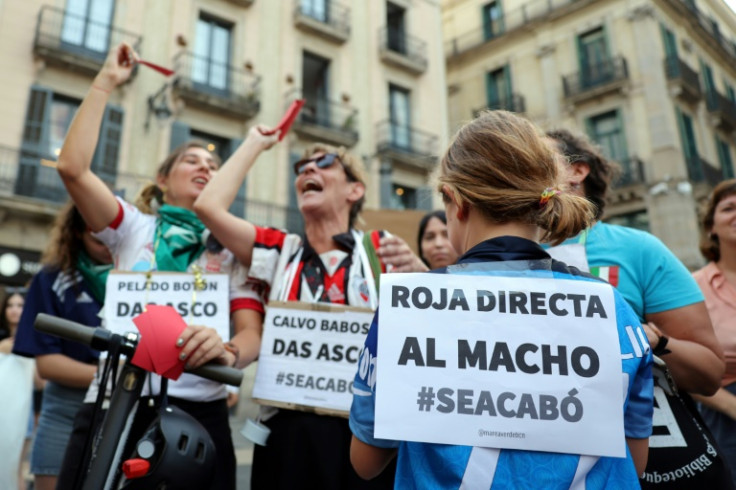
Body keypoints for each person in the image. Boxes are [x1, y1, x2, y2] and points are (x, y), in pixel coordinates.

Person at [349, 110, 653, 487]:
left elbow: (366, 460)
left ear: (455, 201)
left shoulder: (408, 307)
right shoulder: (613, 307)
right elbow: (635, 463)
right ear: (545, 201)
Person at [54, 42, 264, 490]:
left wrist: (226, 353)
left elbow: (250, 334)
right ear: (163, 180)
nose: (206, 166)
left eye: (214, 163)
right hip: (113, 400)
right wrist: (106, 80)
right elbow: (72, 168)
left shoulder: (232, 249)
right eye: (192, 160)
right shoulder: (131, 227)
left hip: (200, 409)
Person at [194, 132, 426, 488]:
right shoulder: (279, 249)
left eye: (325, 163)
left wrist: (421, 275)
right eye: (301, 167)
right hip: (287, 434)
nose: (307, 170)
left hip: (363, 433)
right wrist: (256, 141)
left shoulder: (382, 249)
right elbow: (208, 208)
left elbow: (431, 328)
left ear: (355, 190)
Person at [546, 129, 728, 487]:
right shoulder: (506, 255)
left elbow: (708, 374)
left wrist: (651, 341)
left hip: (652, 451)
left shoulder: (638, 249)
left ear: (576, 172)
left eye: (537, 155)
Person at [11, 202, 111, 490]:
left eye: (112, 235)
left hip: (125, 406)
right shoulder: (51, 277)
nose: (107, 246)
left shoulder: (141, 276)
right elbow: (47, 364)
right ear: (78, 232)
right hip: (66, 406)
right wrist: (114, 375)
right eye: (97, 237)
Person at [693, 179, 736, 486]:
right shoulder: (693, 287)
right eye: (729, 208)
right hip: (724, 411)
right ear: (711, 227)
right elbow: (683, 366)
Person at [0, 289, 33, 490]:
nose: (15, 311)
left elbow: (40, 382)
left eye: (20, 306)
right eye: (10, 305)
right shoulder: (2, 338)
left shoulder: (33, 340)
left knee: (16, 466)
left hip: (24, 409)